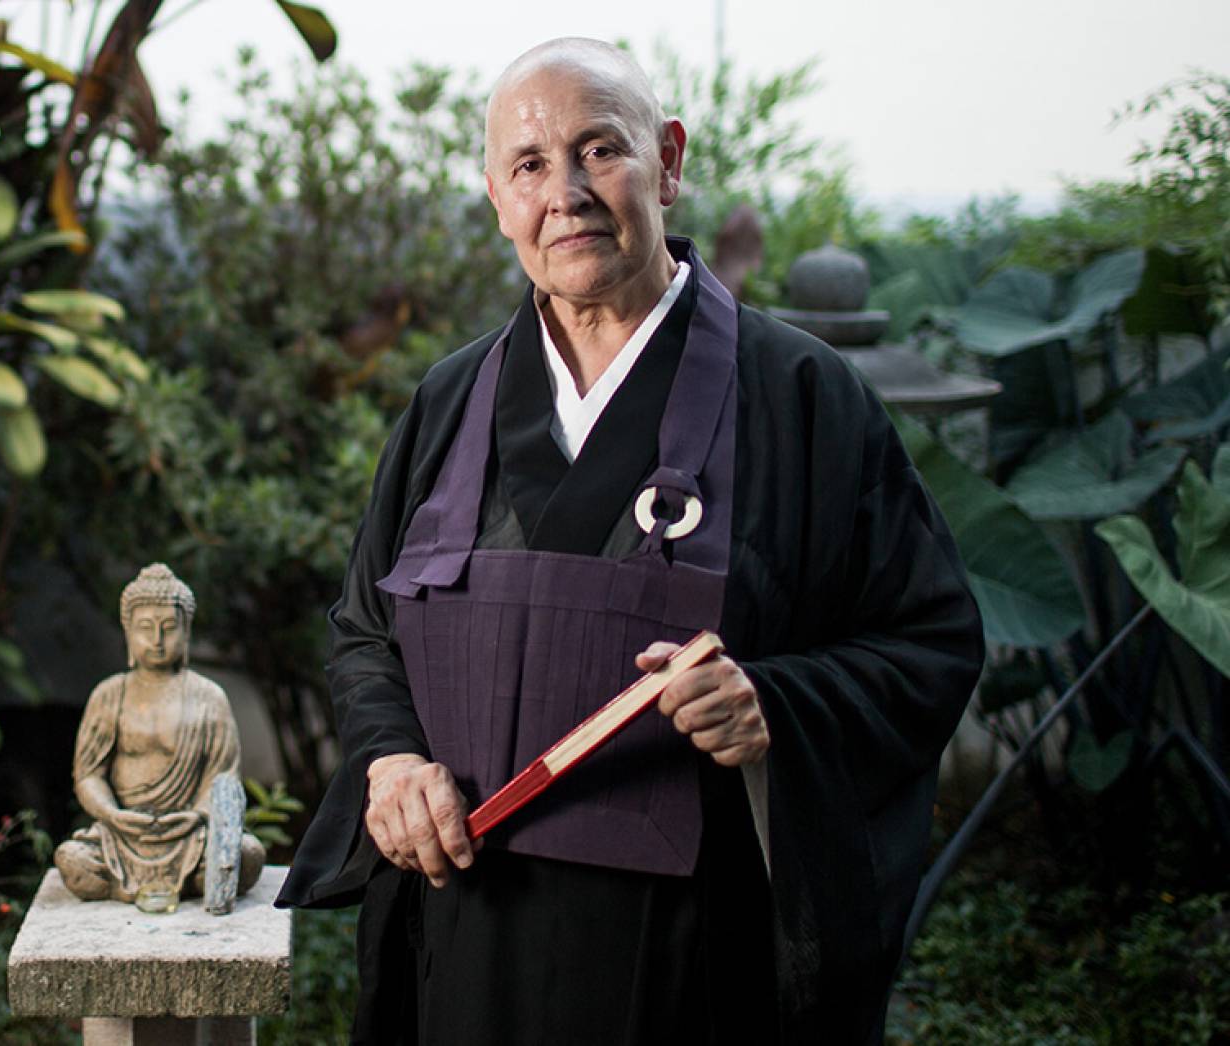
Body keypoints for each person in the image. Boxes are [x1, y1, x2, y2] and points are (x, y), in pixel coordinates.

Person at [275, 37, 984, 1045]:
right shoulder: (450, 400)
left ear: (669, 161)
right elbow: (364, 632)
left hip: (692, 964)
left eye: (599, 150)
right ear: (496, 197)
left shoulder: (800, 396)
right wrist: (390, 761)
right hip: (464, 945)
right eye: (529, 165)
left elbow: (929, 641)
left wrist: (773, 703)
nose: (564, 194)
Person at [55, 563, 266, 908]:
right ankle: (171, 881)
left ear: (186, 632)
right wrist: (112, 814)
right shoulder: (110, 695)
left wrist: (196, 815)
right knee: (73, 859)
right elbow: (88, 775)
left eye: (168, 628)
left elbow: (223, 778)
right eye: (145, 627)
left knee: (248, 854)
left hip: (189, 833)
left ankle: (190, 877)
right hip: (122, 834)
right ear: (128, 631)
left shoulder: (208, 697)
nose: (157, 639)